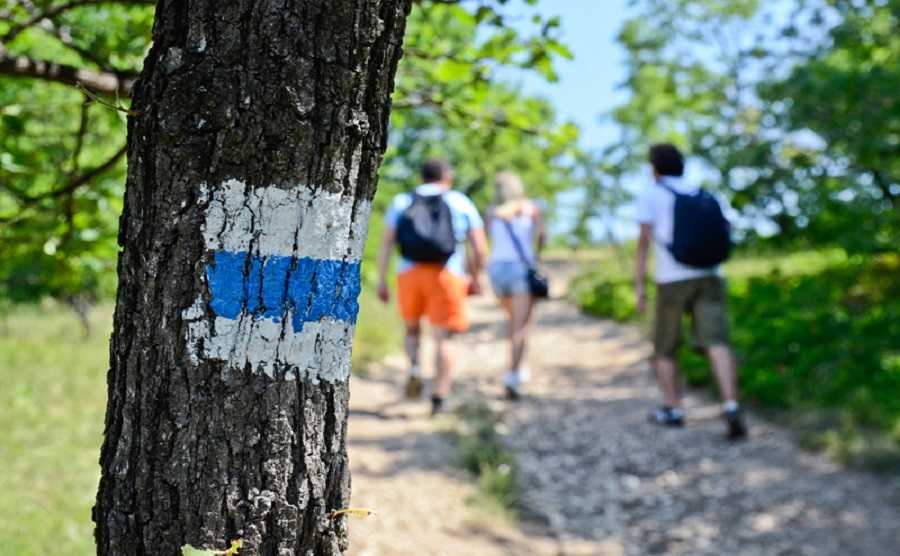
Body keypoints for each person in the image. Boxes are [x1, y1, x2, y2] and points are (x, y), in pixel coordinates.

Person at [634, 144, 747, 439]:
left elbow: (643, 244)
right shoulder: (702, 192)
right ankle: (731, 404)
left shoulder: (652, 194)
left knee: (665, 347)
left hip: (672, 279)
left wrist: (639, 286)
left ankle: (673, 408)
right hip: (710, 275)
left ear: (654, 168)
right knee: (717, 341)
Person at [377, 159, 488, 415]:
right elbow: (480, 248)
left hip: (408, 273)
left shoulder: (402, 201)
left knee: (413, 328)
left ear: (421, 177)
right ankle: (439, 396)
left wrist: (382, 281)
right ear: (447, 176)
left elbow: (386, 245)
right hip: (447, 274)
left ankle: (415, 367)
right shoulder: (459, 201)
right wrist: (476, 277)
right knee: (445, 337)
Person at [485, 171, 546, 400]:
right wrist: (537, 255)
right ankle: (513, 374)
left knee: (512, 322)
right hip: (520, 268)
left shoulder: (492, 211)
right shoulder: (530, 208)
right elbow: (542, 235)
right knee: (522, 326)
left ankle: (517, 367)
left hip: (497, 269)